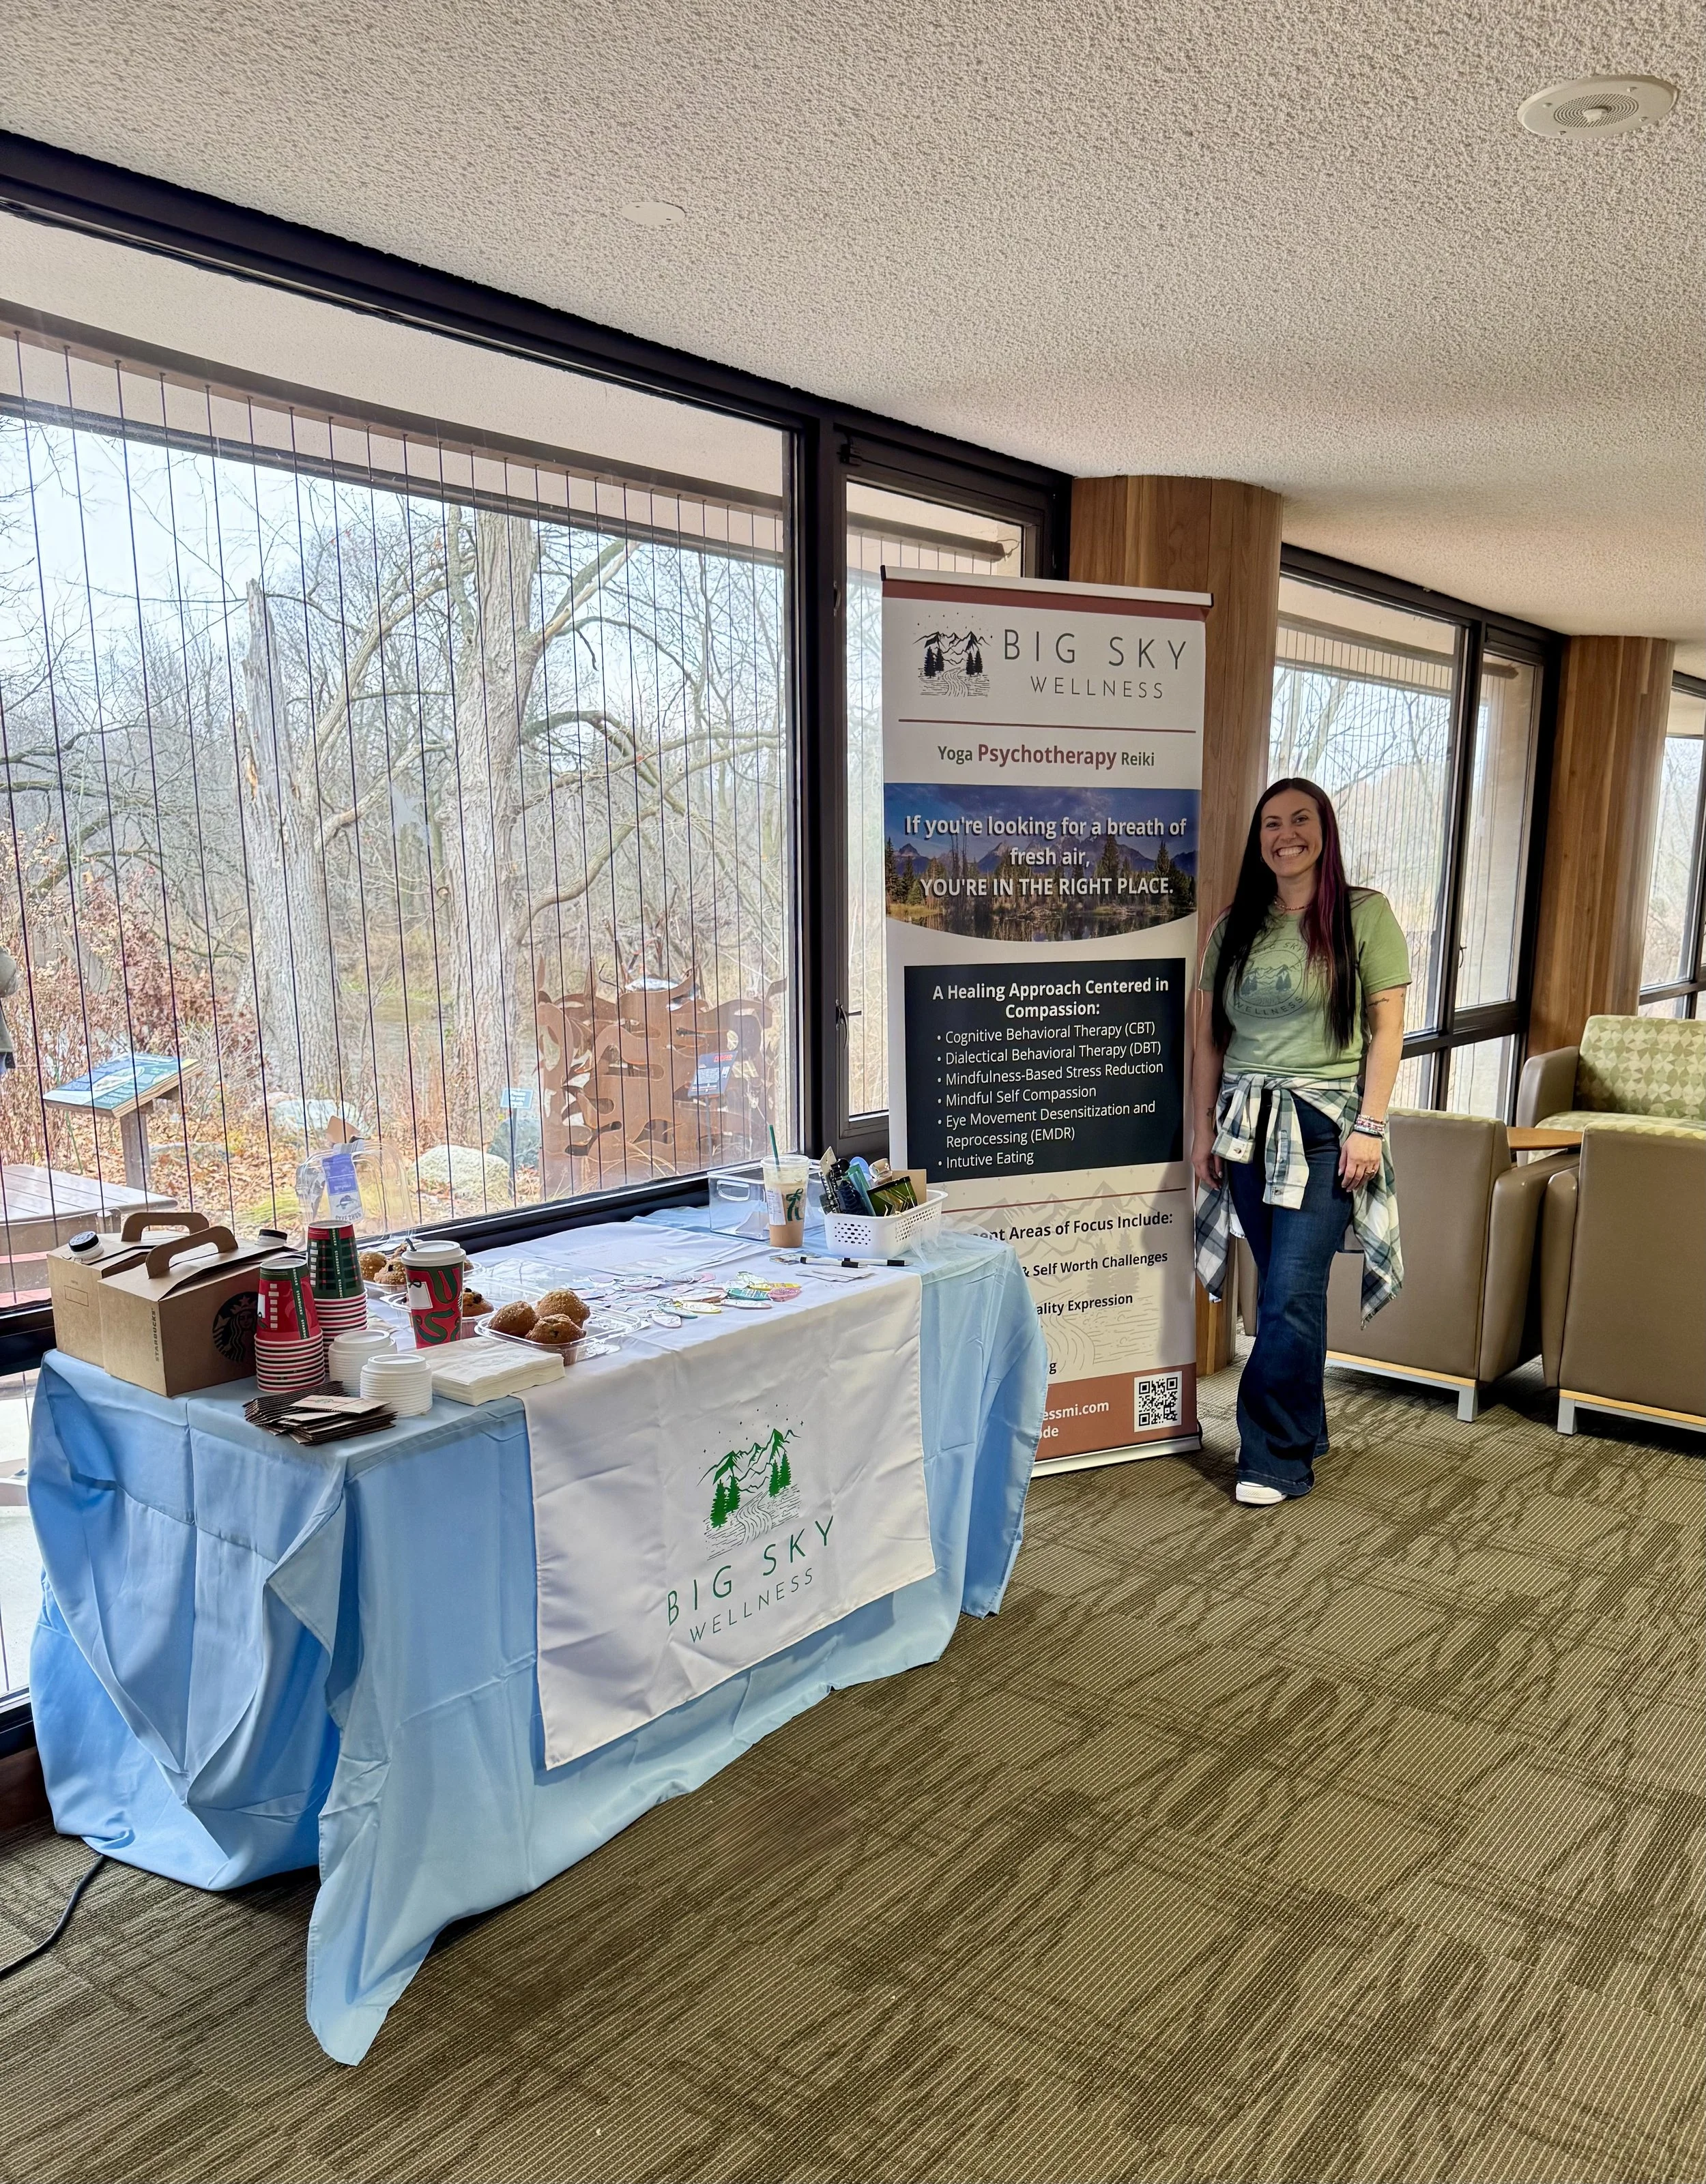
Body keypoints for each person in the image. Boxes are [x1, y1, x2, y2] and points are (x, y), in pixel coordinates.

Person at [1191, 778, 1408, 1506]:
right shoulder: (1234, 927)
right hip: (1244, 1127)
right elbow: (1209, 1042)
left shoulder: (1363, 916)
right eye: (1271, 824)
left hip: (1323, 1127)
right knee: (1284, 1298)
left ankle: (1271, 1458)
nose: (1285, 835)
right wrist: (1203, 1133)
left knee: (1288, 1294)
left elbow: (1387, 1029)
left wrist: (1369, 1125)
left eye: (1300, 820)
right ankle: (1302, 1424)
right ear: (1258, 841)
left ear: (1325, 830)